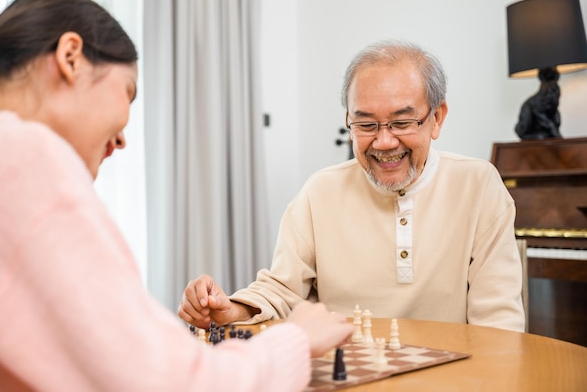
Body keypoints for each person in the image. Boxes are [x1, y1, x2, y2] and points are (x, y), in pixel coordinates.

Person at [0, 0, 353, 392]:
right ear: (70, 57)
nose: (123, 138)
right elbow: (172, 383)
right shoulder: (26, 162)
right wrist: (296, 340)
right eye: (128, 91)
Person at [179, 40, 526, 333]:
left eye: (402, 122)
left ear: (436, 118)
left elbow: (497, 320)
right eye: (365, 124)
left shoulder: (478, 185)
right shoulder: (320, 192)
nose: (384, 141)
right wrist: (232, 309)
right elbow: (282, 290)